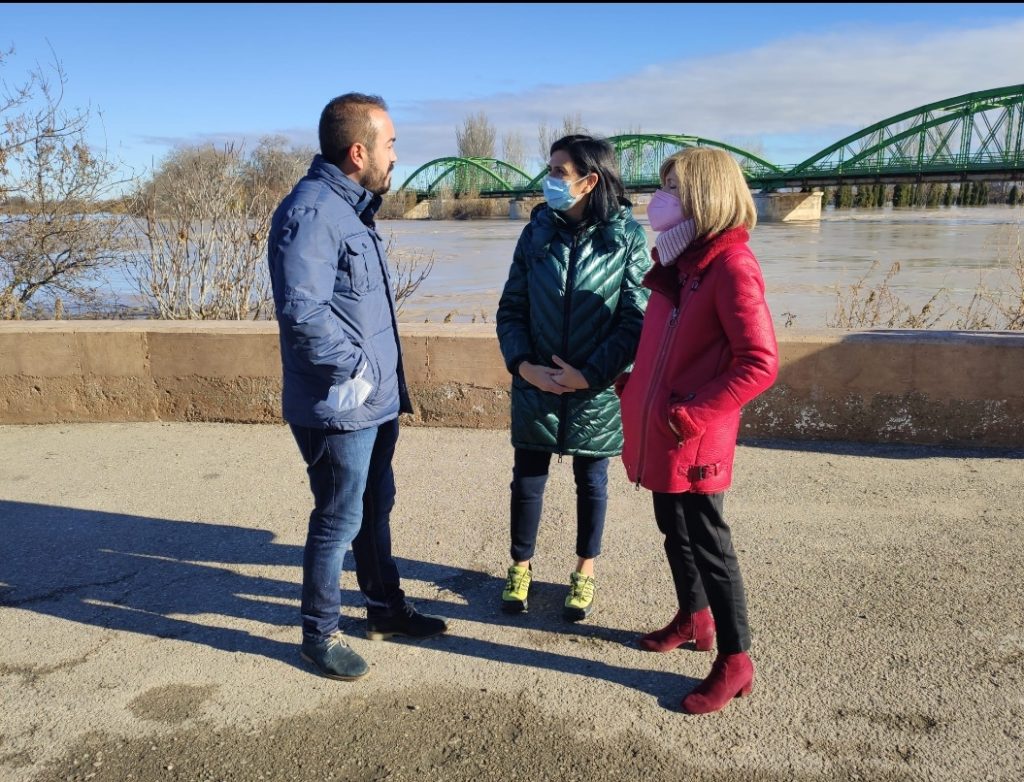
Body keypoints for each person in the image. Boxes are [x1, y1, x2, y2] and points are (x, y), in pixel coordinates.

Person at [267, 93, 447, 681]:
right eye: (390, 144)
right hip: (340, 404)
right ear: (358, 152)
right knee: (337, 519)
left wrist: (375, 382)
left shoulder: (349, 210)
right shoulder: (313, 212)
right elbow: (303, 312)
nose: (396, 155)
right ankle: (319, 635)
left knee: (373, 507)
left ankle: (385, 610)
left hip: (372, 402)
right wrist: (356, 372)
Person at [617, 148, 778, 713]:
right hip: (665, 430)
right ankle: (693, 617)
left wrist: (689, 415)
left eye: (672, 188)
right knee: (673, 529)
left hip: (694, 435)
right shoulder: (683, 266)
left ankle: (735, 660)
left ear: (703, 197)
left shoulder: (731, 266)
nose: (658, 199)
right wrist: (634, 387)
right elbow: (668, 348)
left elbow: (759, 362)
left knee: (710, 543)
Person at [495, 134, 651, 621]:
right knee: (527, 479)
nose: (549, 181)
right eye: (550, 170)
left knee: (592, 482)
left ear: (589, 181)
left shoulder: (626, 237)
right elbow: (511, 308)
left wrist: (590, 375)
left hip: (595, 388)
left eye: (558, 173)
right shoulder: (536, 232)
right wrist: (524, 366)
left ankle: (585, 571)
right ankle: (520, 567)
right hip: (535, 382)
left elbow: (635, 318)